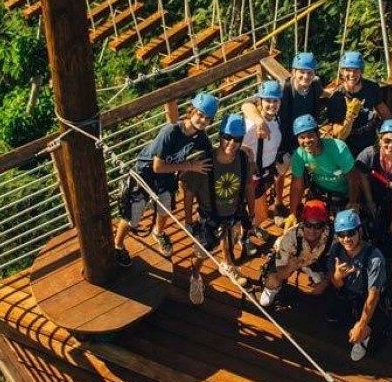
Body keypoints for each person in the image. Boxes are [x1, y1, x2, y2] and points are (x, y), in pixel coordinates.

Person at [115, 92, 217, 266]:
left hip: (167, 176)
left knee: (165, 208)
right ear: (191, 111)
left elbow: (210, 154)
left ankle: (159, 232)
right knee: (133, 216)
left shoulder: (200, 136)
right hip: (145, 175)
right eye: (200, 115)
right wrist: (190, 166)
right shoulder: (170, 132)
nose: (202, 120)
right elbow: (157, 166)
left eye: (207, 118)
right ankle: (117, 245)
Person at [180, 114, 255, 305]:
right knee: (200, 253)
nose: (232, 143)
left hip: (232, 213)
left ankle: (228, 264)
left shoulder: (243, 160)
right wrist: (188, 222)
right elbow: (188, 193)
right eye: (227, 137)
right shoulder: (205, 163)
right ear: (220, 136)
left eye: (237, 139)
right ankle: (195, 277)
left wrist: (251, 214)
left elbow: (248, 187)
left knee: (229, 240)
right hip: (209, 216)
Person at [242, 52, 325, 218]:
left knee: (300, 172)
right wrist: (259, 121)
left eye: (309, 72)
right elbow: (247, 105)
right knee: (280, 171)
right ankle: (279, 203)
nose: (305, 76)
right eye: (301, 72)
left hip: (305, 136)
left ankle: (297, 204)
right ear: (293, 72)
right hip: (284, 135)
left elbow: (322, 97)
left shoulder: (316, 86)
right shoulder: (283, 87)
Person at [326, 209, 387, 361]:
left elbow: (373, 296)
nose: (346, 239)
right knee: (332, 316)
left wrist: (361, 325)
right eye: (341, 235)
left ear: (360, 231)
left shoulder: (374, 259)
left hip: (366, 296)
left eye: (351, 233)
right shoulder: (336, 249)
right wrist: (338, 276)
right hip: (347, 291)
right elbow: (335, 283)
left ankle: (365, 336)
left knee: (368, 328)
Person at [257, 200, 331, 308]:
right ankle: (272, 290)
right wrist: (289, 267)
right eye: (308, 225)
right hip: (290, 261)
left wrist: (324, 282)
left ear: (324, 225)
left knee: (329, 287)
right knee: (272, 281)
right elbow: (281, 272)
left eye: (318, 226)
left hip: (315, 261)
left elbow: (336, 263)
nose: (312, 230)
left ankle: (316, 277)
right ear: (302, 223)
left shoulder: (332, 238)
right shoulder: (290, 238)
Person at [289, 114, 362, 218]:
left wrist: (352, 203)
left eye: (310, 136)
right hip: (319, 192)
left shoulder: (339, 149)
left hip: (342, 194)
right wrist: (292, 214)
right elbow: (297, 186)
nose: (307, 141)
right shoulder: (299, 155)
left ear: (318, 134)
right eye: (302, 137)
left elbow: (353, 179)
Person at [325, 51, 392, 156]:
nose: (352, 74)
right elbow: (338, 135)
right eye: (348, 70)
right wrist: (349, 117)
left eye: (356, 70)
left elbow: (382, 109)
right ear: (342, 72)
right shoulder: (336, 98)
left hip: (371, 141)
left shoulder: (372, 88)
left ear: (361, 71)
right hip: (348, 146)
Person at [242, 80, 285, 240]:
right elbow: (237, 147)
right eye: (268, 101)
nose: (272, 105)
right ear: (260, 101)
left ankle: (253, 228)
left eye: (275, 101)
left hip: (264, 173)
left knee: (259, 210)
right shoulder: (252, 126)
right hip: (251, 176)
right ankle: (243, 237)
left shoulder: (276, 120)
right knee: (248, 209)